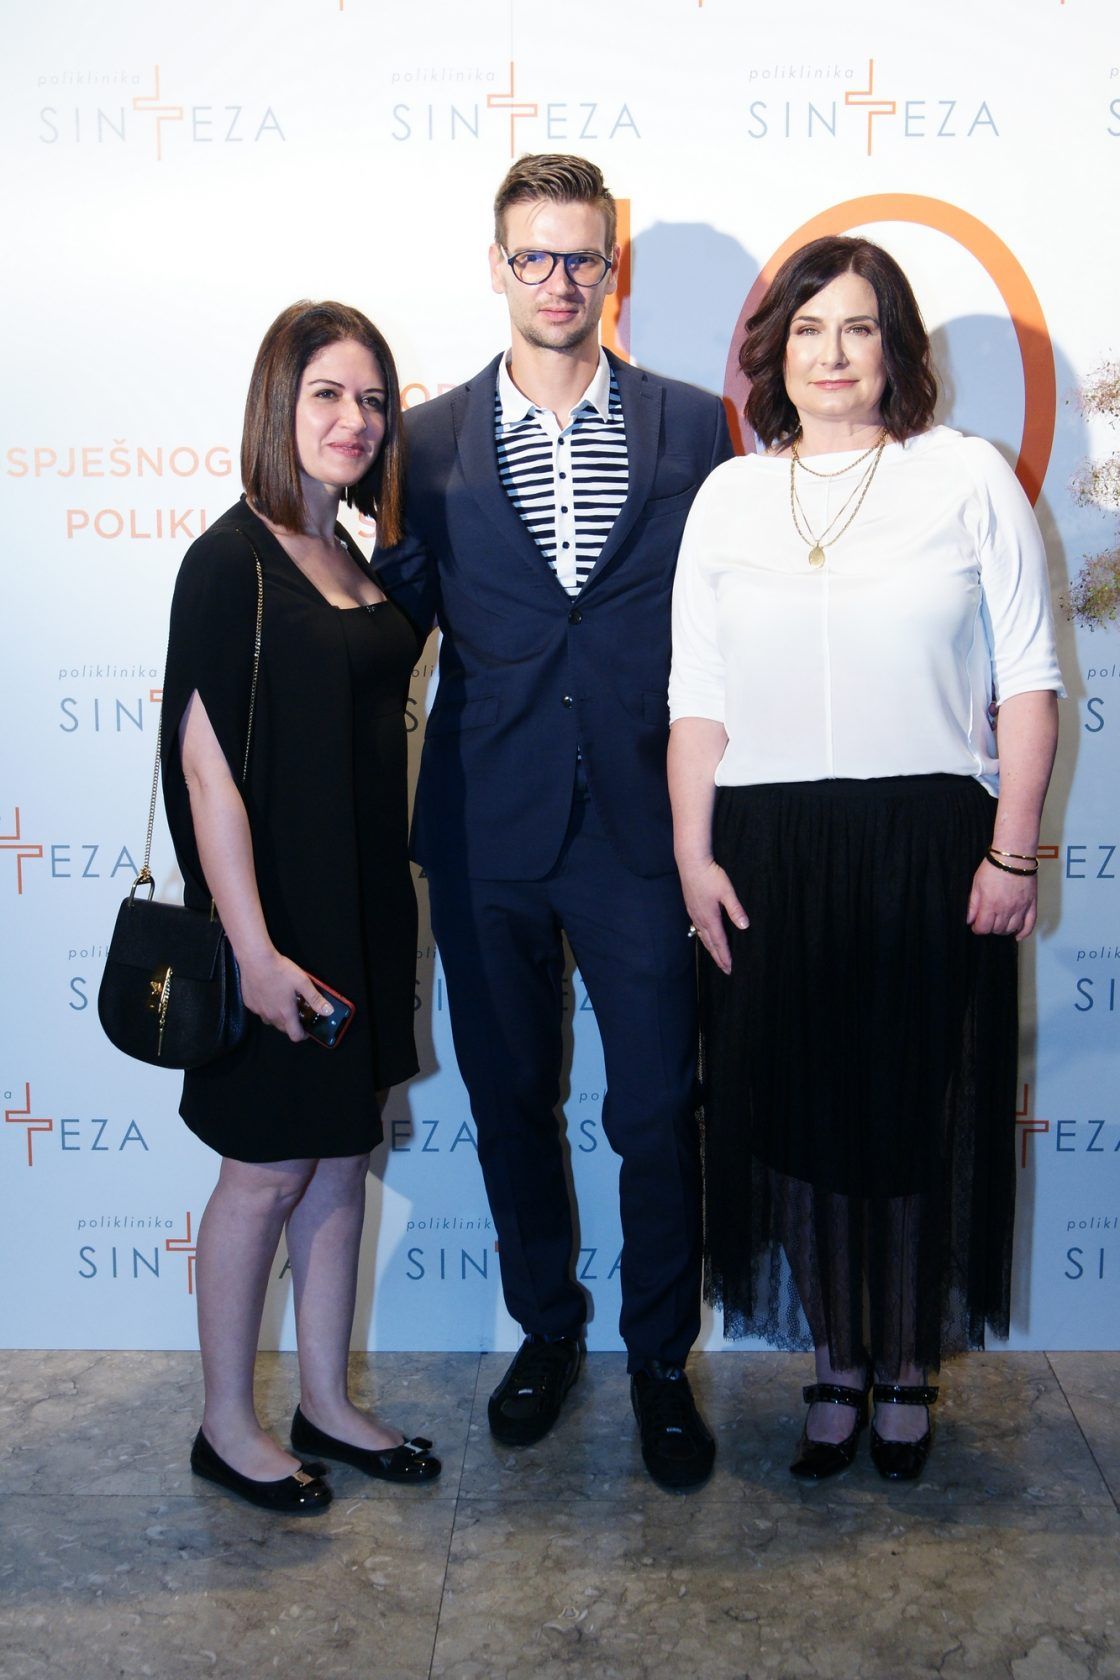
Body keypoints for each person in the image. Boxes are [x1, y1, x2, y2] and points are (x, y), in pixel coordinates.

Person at [668, 236, 1063, 1482]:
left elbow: (1029, 677)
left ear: (894, 347)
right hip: (765, 850)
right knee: (798, 1122)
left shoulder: (964, 475)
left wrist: (1012, 853)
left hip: (928, 848)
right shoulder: (731, 497)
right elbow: (696, 698)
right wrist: (692, 854)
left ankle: (905, 1368)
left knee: (909, 1116)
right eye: (807, 329)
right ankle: (835, 1363)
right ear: (773, 353)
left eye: (857, 327)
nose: (831, 353)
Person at [375, 154, 733, 1490]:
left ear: (611, 269)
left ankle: (658, 1362)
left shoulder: (695, 427)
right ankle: (546, 1329)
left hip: (645, 828)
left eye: (583, 256)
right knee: (511, 1101)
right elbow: (387, 624)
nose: (561, 279)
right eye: (536, 255)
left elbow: (732, 621)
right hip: (486, 827)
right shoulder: (422, 443)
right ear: (498, 267)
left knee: (657, 1111)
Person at [160, 300, 440, 1513]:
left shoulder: (354, 558)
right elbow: (204, 773)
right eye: (328, 393)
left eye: (372, 399)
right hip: (272, 928)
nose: (354, 418)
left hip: (364, 913)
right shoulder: (231, 563)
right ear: (279, 403)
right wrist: (254, 952)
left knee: (336, 1165)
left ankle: (325, 1402)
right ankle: (225, 1426)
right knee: (264, 1175)